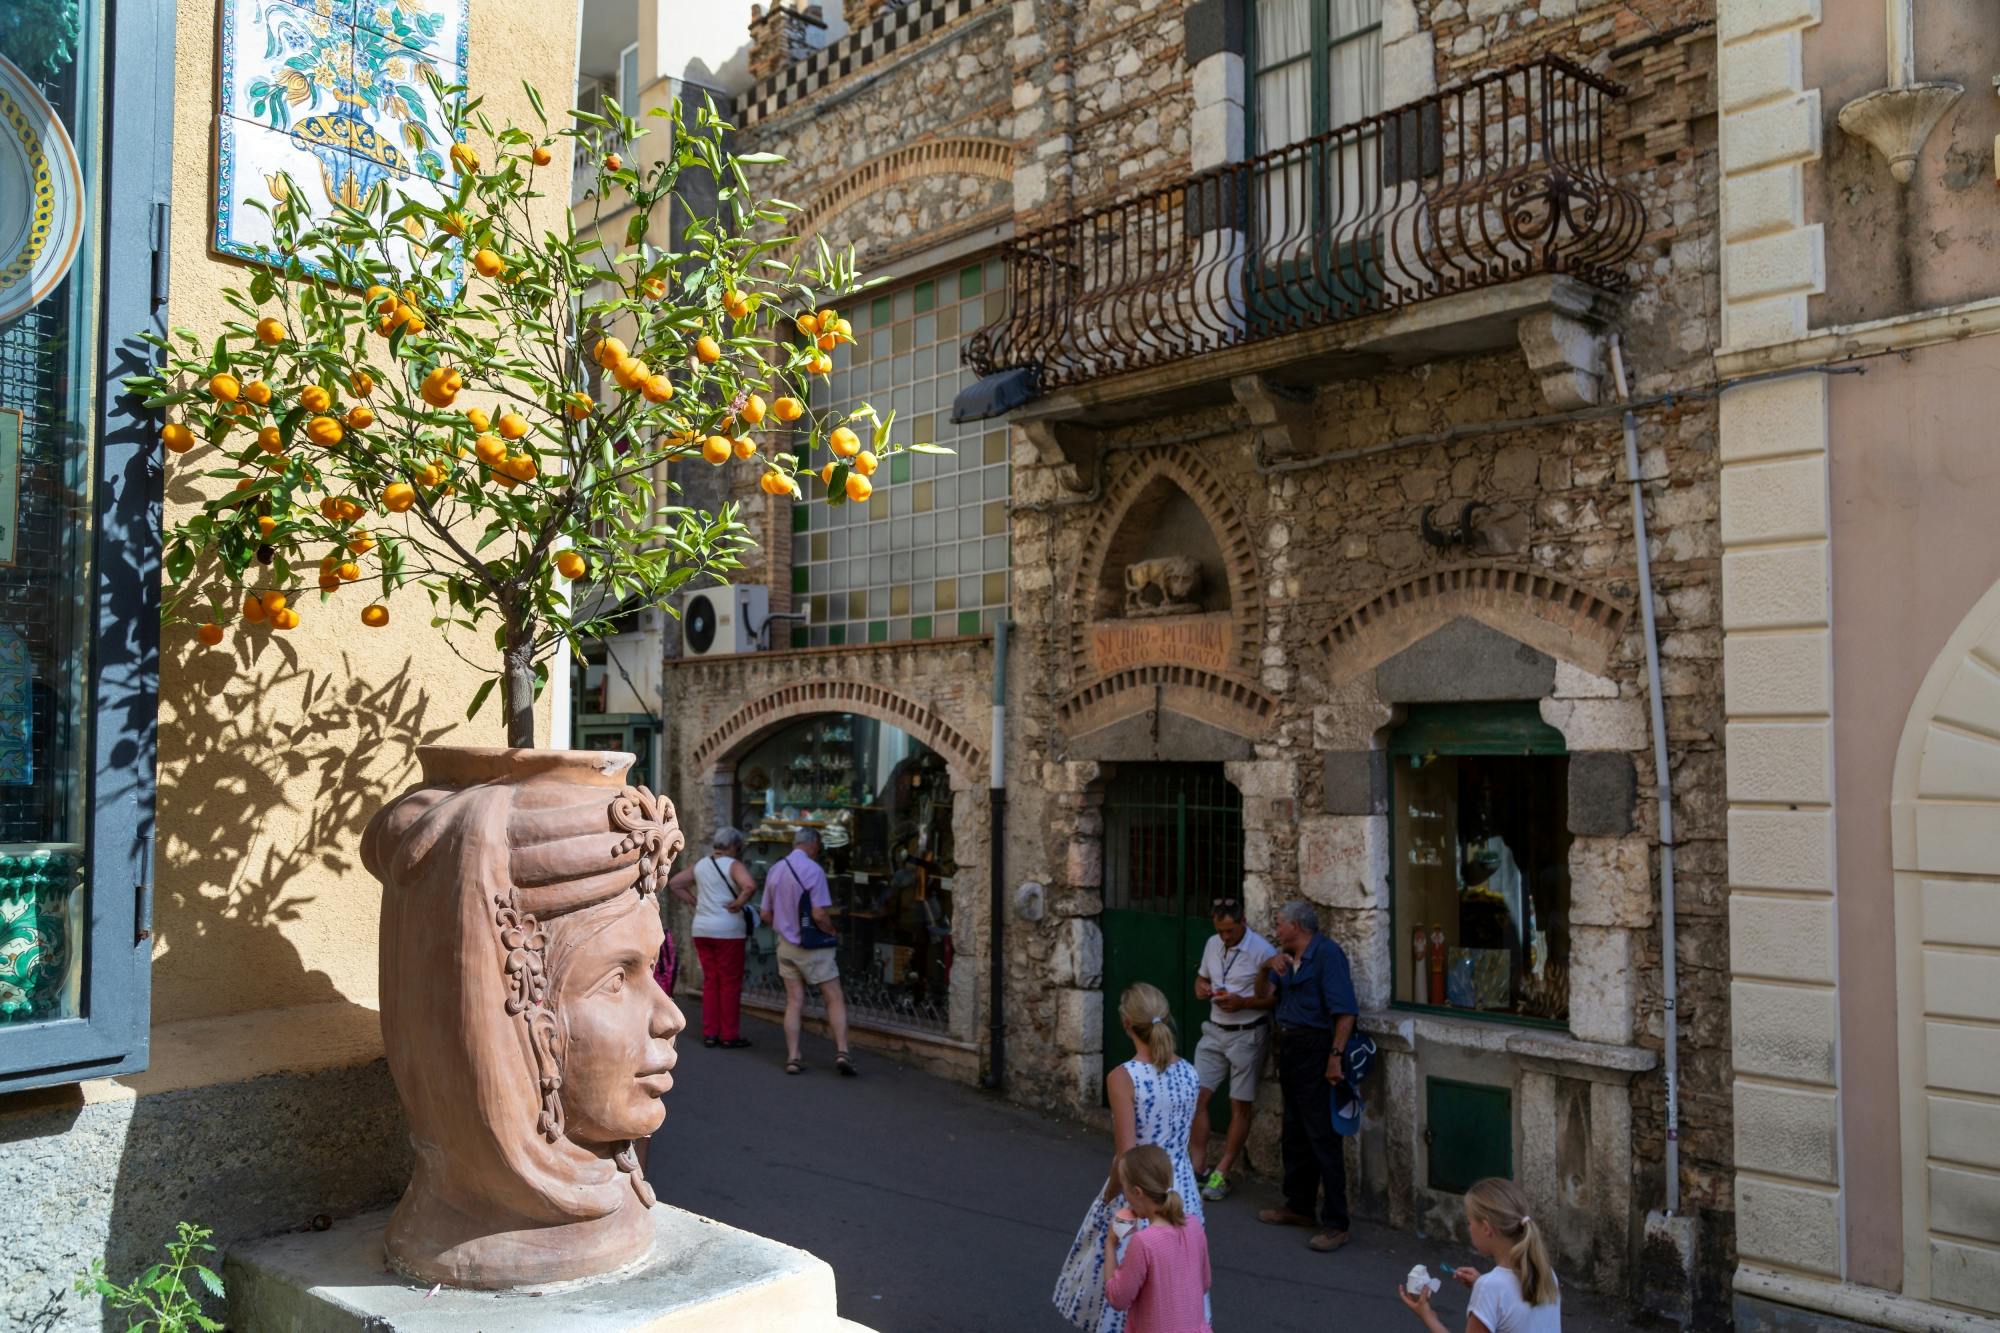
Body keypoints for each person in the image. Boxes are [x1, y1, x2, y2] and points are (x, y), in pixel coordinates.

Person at [1053, 983, 1206, 1333]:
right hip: (1182, 1191)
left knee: (1128, 1279)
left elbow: (1127, 1153)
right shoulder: (1190, 1072)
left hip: (1140, 1190)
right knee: (1178, 1283)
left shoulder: (1123, 1077)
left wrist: (1108, 1196)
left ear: (1126, 1023)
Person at [1252, 900, 1359, 1254]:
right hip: (1290, 1047)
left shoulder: (1328, 955)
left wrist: (1335, 1058)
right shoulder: (1283, 961)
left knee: (1322, 1135)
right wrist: (1266, 966)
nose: (1276, 929)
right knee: (1294, 1131)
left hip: (1316, 1049)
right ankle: (1299, 1205)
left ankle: (1336, 1221)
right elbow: (1263, 995)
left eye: (1280, 923)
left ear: (1298, 926)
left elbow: (1344, 1013)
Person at [1187, 896, 1276, 1200]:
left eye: (1230, 931)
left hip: (1246, 1033)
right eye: (1220, 931)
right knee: (1196, 1097)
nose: (1225, 937)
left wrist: (1243, 1003)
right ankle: (1198, 1167)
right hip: (1214, 1030)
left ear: (1243, 923)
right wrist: (1201, 987)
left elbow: (1275, 999)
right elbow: (1201, 978)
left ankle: (1222, 1172)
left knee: (1240, 1104)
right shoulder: (1213, 944)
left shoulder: (1262, 951)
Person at [1398, 1177, 1561, 1333]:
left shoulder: (1489, 1288)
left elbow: (1499, 1293)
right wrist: (1482, 1284)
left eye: (1470, 1222)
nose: (1469, 1228)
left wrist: (1427, 1316)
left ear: (1486, 1228)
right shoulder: (1545, 1272)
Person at [759, 827, 855, 1076]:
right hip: (812, 947)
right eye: (818, 845)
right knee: (833, 997)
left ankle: (793, 1056)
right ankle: (842, 1051)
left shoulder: (775, 869)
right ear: (813, 844)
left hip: (786, 947)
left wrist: (785, 928)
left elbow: (765, 914)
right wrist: (831, 930)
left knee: (794, 1001)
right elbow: (819, 913)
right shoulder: (814, 870)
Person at [666, 826, 759, 1049]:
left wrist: (696, 902)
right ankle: (728, 1035)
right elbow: (750, 886)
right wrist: (738, 903)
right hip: (728, 931)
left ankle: (710, 1033)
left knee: (711, 981)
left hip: (702, 929)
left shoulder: (702, 865)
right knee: (729, 983)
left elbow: (675, 883)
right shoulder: (734, 865)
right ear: (734, 845)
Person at [1103, 1144, 1213, 1333]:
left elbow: (1117, 1298)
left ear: (1137, 1192)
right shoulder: (1193, 1225)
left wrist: (1111, 1243)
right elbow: (1204, 1283)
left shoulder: (1144, 1242)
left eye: (1125, 1189)